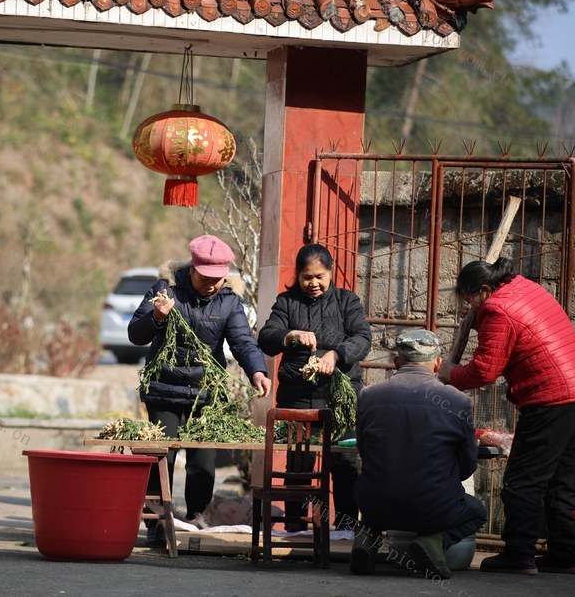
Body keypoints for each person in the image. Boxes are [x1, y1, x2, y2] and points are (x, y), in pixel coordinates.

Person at [437, 258, 575, 575]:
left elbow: (484, 371)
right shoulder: (522, 286)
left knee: (523, 480)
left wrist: (450, 374)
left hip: (553, 398)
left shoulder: (496, 310)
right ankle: (568, 554)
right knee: (565, 480)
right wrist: (476, 317)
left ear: (484, 289)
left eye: (469, 299)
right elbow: (510, 331)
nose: (466, 306)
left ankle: (518, 554)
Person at [128, 235, 271, 545]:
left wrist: (257, 371)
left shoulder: (229, 300)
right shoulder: (165, 290)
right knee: (162, 457)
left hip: (206, 394)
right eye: (205, 278)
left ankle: (196, 518)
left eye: (217, 279)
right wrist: (157, 317)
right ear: (192, 268)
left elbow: (242, 342)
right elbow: (135, 334)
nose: (211, 285)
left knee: (203, 461)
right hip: (164, 390)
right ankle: (155, 520)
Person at [350, 329, 487, 580]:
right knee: (477, 512)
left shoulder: (368, 396)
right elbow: (467, 466)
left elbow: (364, 451)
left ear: (396, 362)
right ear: (437, 363)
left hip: (375, 503)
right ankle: (432, 541)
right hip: (433, 508)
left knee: (375, 498)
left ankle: (366, 539)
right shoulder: (457, 401)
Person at [257, 243, 371, 530]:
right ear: (297, 275)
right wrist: (290, 335)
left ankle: (345, 527)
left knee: (344, 464)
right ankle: (295, 526)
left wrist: (337, 354)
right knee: (299, 463)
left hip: (340, 400)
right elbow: (266, 337)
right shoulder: (287, 302)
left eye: (320, 276)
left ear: (330, 273)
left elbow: (362, 338)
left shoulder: (347, 301)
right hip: (298, 399)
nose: (313, 283)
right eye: (307, 277)